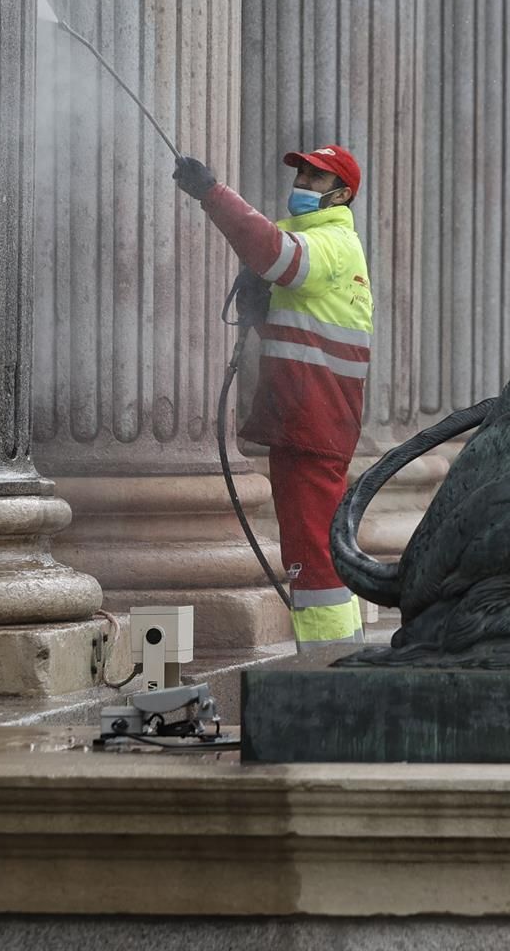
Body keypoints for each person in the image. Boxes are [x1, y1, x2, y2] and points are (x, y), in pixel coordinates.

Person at [172, 145, 373, 651]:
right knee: (319, 544)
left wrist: (213, 194)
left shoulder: (332, 241)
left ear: (342, 195)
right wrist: (262, 312)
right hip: (312, 415)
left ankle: (327, 668)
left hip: (315, 417)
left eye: (316, 176)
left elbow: (277, 255)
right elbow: (301, 333)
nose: (303, 180)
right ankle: (339, 656)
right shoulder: (320, 241)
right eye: (301, 171)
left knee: (312, 552)